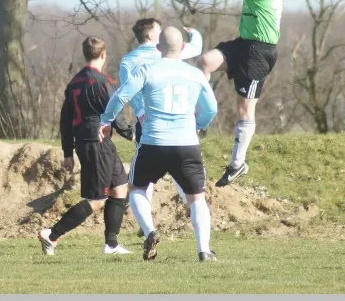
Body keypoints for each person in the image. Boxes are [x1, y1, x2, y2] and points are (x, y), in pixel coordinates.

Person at [165, 0, 283, 187]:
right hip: (244, 44)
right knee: (206, 61)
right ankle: (197, 121)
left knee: (245, 110)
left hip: (259, 52)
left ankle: (237, 164)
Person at [99, 26, 218, 262]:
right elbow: (211, 108)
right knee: (196, 198)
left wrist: (105, 120)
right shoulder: (195, 74)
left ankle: (150, 231)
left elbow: (121, 96)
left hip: (153, 142)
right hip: (187, 144)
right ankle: (203, 250)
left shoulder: (147, 69)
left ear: (157, 47)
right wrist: (198, 124)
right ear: (182, 47)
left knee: (137, 188)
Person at [39, 36, 134, 256]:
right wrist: (129, 133)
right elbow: (114, 111)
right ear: (103, 54)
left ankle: (111, 245)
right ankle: (51, 235)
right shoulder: (103, 82)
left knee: (119, 187)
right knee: (97, 199)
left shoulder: (74, 82)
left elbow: (65, 120)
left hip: (92, 143)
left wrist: (67, 152)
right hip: (96, 143)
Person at [120, 18, 203, 235]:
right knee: (183, 174)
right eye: (159, 29)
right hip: (180, 126)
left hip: (147, 123)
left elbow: (127, 90)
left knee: (141, 178)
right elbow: (196, 48)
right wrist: (194, 33)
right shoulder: (169, 52)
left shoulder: (128, 61)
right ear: (150, 35)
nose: (164, 32)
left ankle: (146, 224)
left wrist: (140, 113)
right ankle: (194, 206)